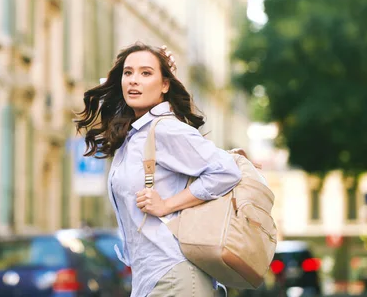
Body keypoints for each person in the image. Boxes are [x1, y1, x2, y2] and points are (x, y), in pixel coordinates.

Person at [74, 42, 242, 296]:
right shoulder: (135, 134)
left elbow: (226, 171)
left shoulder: (165, 129)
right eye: (128, 73)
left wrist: (167, 204)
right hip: (150, 279)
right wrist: (154, 69)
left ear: (165, 85)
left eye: (146, 73)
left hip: (175, 276)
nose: (133, 81)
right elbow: (117, 93)